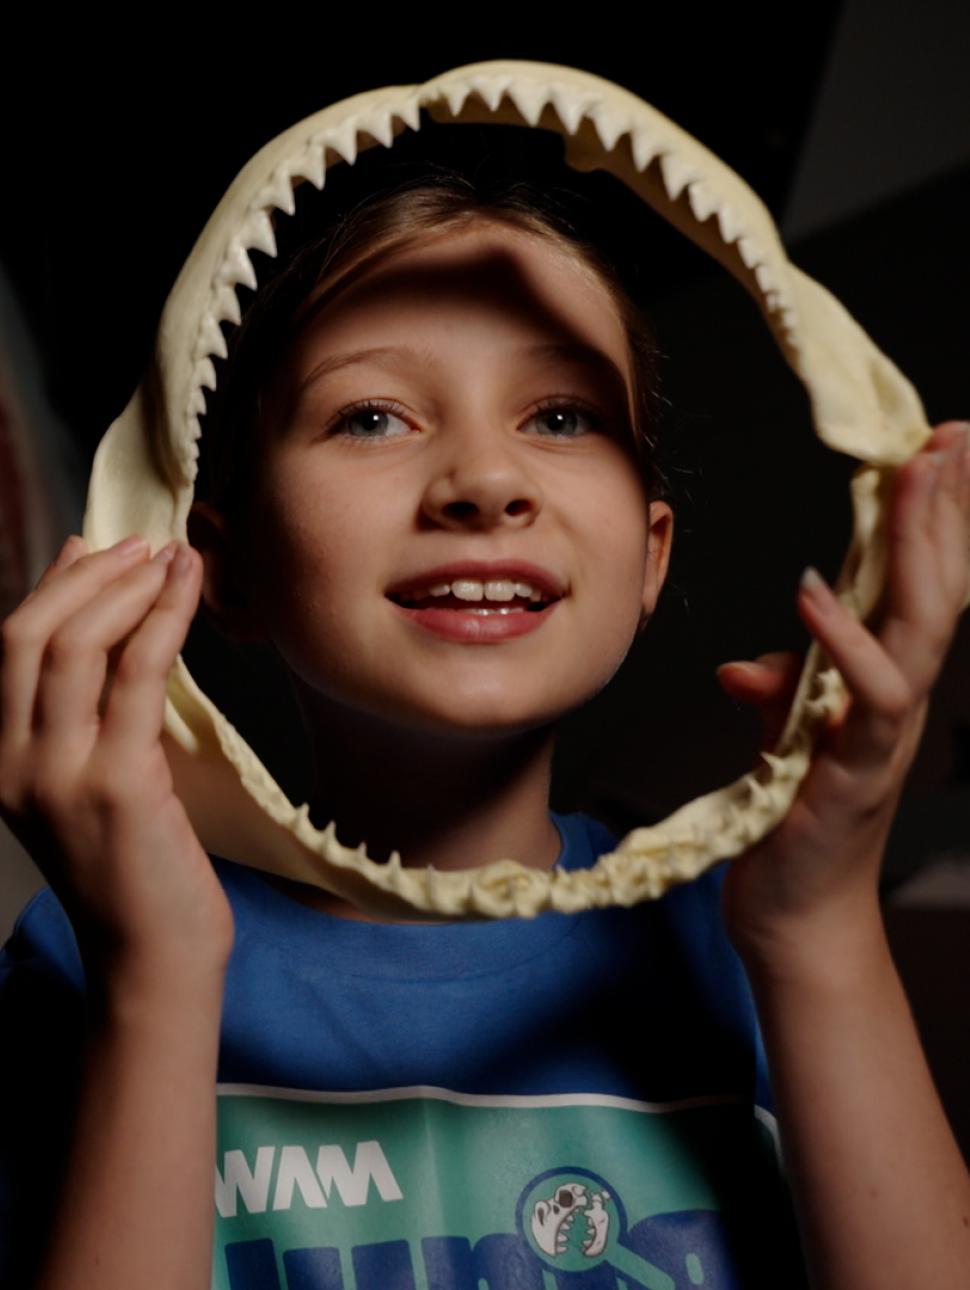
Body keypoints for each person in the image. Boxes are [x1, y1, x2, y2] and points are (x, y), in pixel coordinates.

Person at [1, 147, 969, 1290]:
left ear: (648, 557)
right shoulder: (96, 950)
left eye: (559, 415)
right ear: (226, 565)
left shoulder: (758, 941)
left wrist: (820, 927)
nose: (483, 481)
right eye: (370, 417)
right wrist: (154, 977)